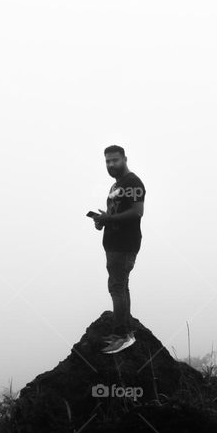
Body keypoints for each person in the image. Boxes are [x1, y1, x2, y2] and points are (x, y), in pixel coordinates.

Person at [93, 145, 145, 354]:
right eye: (107, 161)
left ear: (124, 159)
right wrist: (102, 221)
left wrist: (110, 218)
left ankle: (122, 336)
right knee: (121, 286)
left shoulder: (133, 182)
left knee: (116, 287)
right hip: (113, 243)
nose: (111, 164)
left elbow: (137, 212)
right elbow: (114, 213)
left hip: (125, 244)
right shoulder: (116, 185)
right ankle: (126, 331)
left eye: (115, 160)